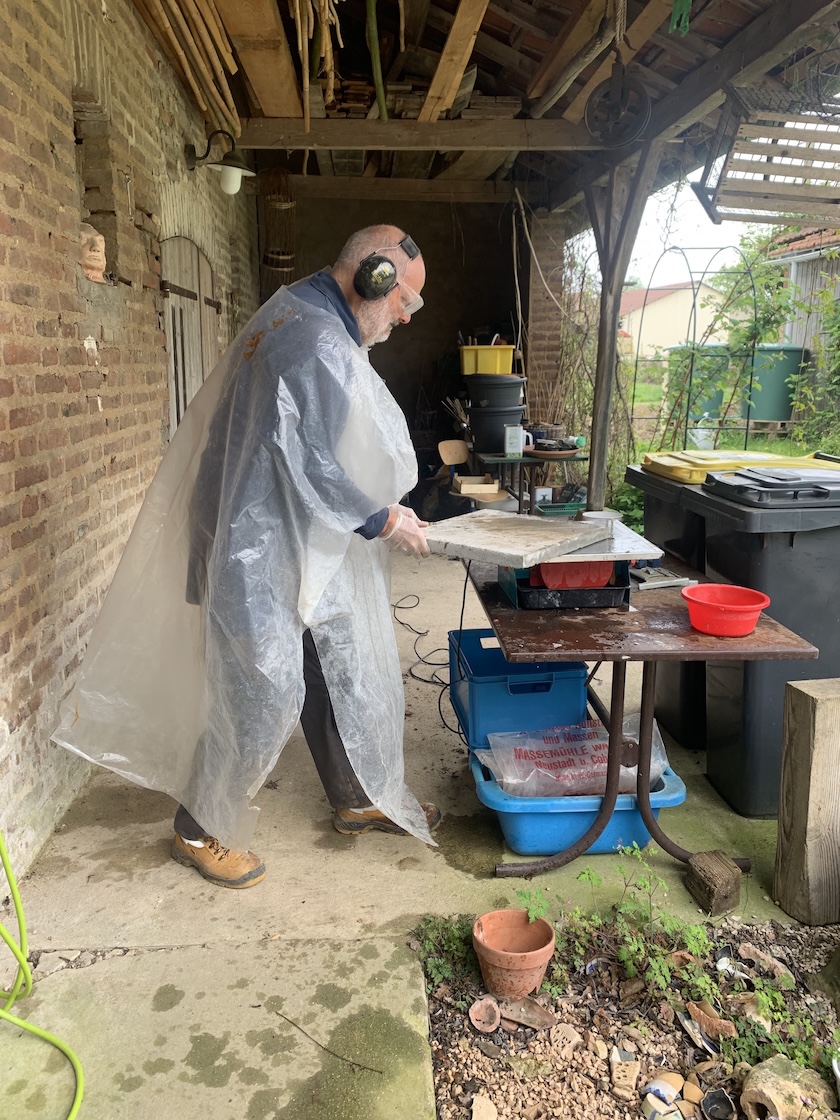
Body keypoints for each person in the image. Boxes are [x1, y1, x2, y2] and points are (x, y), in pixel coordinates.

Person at [53, 225, 438, 889]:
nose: (405, 316)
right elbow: (313, 461)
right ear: (374, 278)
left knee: (330, 658)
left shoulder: (297, 307)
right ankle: (196, 829)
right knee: (260, 689)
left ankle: (355, 795)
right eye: (405, 300)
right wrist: (383, 518)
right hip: (252, 545)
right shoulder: (315, 338)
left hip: (273, 530)